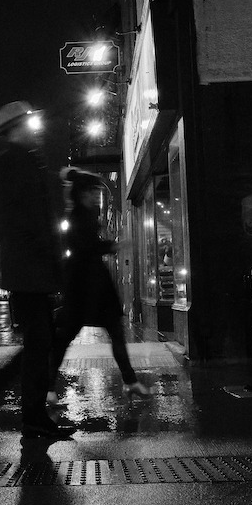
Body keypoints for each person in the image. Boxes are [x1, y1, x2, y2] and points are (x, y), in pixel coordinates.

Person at [0, 100, 75, 440]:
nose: (33, 129)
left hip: (33, 267)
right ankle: (33, 417)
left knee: (41, 343)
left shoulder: (24, 159)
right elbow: (19, 218)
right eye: (27, 124)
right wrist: (44, 253)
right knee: (40, 344)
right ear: (14, 129)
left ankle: (30, 413)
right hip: (28, 269)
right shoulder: (12, 161)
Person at [49, 167, 151, 403]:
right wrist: (113, 246)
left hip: (94, 286)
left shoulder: (84, 215)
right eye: (93, 191)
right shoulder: (77, 217)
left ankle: (130, 381)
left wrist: (108, 246)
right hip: (84, 287)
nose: (97, 195)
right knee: (66, 337)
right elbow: (85, 247)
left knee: (114, 333)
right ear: (83, 193)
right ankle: (48, 386)